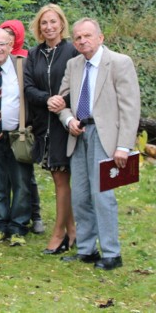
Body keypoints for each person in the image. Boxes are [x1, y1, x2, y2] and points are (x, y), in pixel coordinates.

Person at [54, 18, 140, 271]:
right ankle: (87, 249)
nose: (82, 41)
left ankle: (112, 253)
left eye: (87, 36)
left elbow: (130, 108)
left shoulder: (120, 63)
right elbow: (61, 101)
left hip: (107, 137)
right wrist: (68, 119)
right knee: (80, 195)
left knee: (102, 196)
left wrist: (124, 145)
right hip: (78, 135)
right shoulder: (73, 64)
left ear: (100, 38)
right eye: (78, 37)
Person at [24, 4, 79, 254]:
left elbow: (79, 85)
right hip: (42, 124)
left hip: (65, 123)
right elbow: (28, 87)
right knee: (58, 178)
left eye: (53, 22)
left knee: (61, 179)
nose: (49, 27)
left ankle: (59, 234)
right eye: (44, 23)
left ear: (61, 24)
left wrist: (62, 101)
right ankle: (73, 232)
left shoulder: (72, 51)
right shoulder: (34, 54)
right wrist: (47, 98)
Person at [0, 19, 45, 234]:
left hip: (17, 135)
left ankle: (19, 224)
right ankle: (0, 222)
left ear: (10, 46)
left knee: (21, 182)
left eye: (2, 44)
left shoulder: (22, 65)